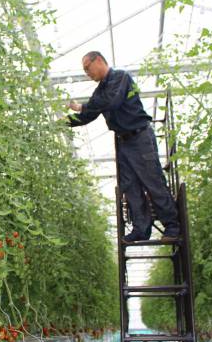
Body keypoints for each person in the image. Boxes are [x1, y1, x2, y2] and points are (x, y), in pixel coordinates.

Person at [67, 51, 180, 244]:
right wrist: (64, 122)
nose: (87, 73)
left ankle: (172, 226)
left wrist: (82, 107)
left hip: (139, 137)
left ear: (99, 61)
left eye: (88, 68)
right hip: (123, 142)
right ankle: (141, 229)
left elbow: (112, 101)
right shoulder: (100, 91)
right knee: (130, 187)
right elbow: (89, 116)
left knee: (152, 181)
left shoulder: (120, 77)